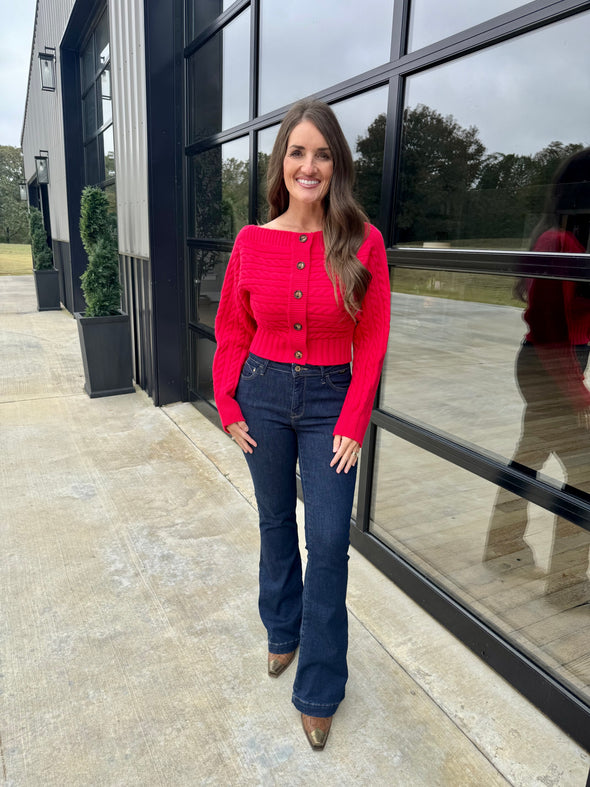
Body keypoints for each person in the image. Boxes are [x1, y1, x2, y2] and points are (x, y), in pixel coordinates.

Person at [212, 99, 391, 749]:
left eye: (321, 153)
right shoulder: (252, 242)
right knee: (272, 521)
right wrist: (228, 403)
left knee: (328, 542)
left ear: (336, 163)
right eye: (297, 152)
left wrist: (352, 419)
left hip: (328, 404)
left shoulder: (362, 240)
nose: (308, 165)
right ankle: (282, 630)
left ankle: (319, 685)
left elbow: (371, 340)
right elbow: (234, 327)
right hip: (261, 392)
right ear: (280, 162)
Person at [485, 148, 590, 598]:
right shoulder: (557, 242)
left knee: (529, 455)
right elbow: (549, 329)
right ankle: (567, 585)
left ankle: (503, 548)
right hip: (548, 364)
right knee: (585, 473)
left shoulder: (573, 241)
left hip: (558, 361)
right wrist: (581, 397)